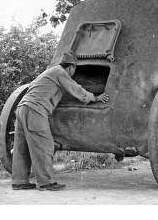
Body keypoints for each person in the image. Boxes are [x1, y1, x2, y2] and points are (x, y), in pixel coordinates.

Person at [11, 52, 109, 191]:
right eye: (74, 70)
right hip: (35, 110)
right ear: (72, 67)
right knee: (44, 146)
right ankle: (46, 183)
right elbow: (75, 89)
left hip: (22, 108)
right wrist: (94, 97)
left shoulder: (49, 72)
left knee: (22, 148)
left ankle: (19, 181)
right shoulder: (60, 72)